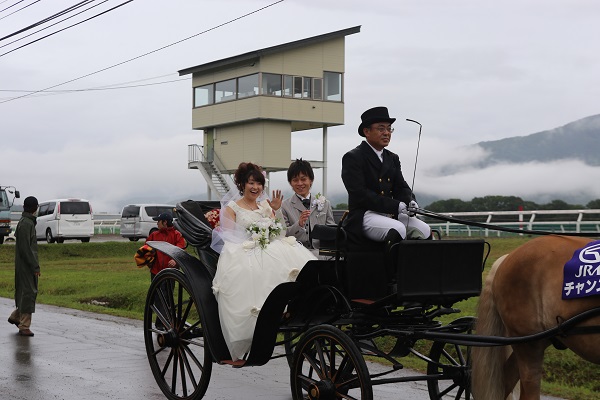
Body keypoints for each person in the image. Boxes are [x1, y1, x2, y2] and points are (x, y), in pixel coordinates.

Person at [211, 162, 316, 361]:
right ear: (242, 184)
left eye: (259, 184)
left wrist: (275, 211)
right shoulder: (232, 208)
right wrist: (254, 239)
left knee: (293, 259)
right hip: (243, 249)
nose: (256, 187)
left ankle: (290, 308)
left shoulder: (265, 206)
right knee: (254, 269)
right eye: (251, 183)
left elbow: (281, 232)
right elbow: (229, 237)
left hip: (269, 244)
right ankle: (257, 323)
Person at [341, 106, 431, 243]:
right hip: (364, 215)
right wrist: (396, 206)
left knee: (424, 229)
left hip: (390, 213)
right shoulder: (353, 157)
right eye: (381, 128)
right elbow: (360, 194)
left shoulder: (392, 158)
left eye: (389, 129)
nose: (387, 133)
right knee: (398, 228)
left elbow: (401, 187)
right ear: (367, 131)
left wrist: (410, 201)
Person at [281, 158, 335, 254]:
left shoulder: (325, 204)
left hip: (322, 253)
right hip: (296, 253)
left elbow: (332, 231)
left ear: (311, 180)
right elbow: (283, 234)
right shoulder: (284, 206)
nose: (300, 183)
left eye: (303, 179)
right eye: (295, 180)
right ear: (290, 183)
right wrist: (299, 224)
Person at [8, 196, 40, 337]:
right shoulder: (27, 223)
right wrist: (35, 266)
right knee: (29, 292)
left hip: (22, 264)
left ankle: (16, 316)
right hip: (27, 265)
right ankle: (24, 326)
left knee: (24, 291)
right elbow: (26, 249)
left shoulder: (24, 222)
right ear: (35, 208)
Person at [145, 212, 186, 279]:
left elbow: (181, 250)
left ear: (165, 222)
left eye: (158, 221)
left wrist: (175, 260)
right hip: (155, 272)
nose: (157, 223)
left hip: (171, 272)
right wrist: (147, 260)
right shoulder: (154, 235)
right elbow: (145, 249)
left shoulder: (177, 235)